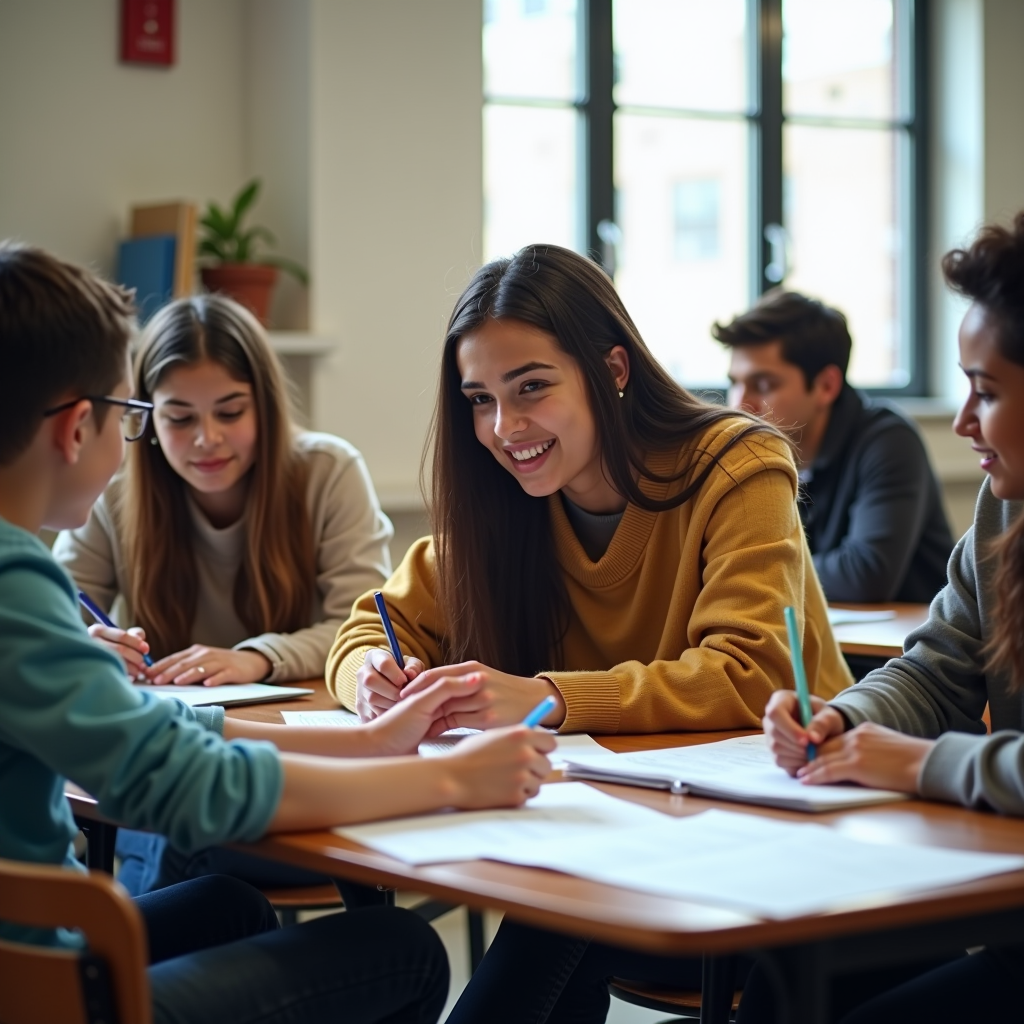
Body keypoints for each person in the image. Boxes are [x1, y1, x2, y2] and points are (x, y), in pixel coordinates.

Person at [0, 241, 554, 1024]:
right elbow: (187, 786)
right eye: (142, 417)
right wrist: (452, 782)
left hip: (38, 949)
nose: (185, 440)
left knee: (228, 905)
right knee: (403, 948)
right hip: (39, 990)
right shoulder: (17, 584)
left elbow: (165, 732)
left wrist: (369, 744)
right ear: (77, 426)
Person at [330, 244, 853, 1023]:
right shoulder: (505, 500)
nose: (505, 427)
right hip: (609, 844)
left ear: (612, 368)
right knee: (552, 897)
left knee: (552, 909)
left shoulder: (737, 463)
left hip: (772, 851)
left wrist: (544, 697)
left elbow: (749, 674)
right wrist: (373, 673)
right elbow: (371, 628)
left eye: (531, 387)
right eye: (479, 399)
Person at [737, 217, 1024, 1024]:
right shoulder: (1002, 522)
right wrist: (843, 715)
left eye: (989, 391)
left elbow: (865, 571)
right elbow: (935, 670)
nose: (964, 422)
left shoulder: (886, 442)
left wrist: (918, 766)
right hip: (1007, 923)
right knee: (783, 978)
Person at [52, 293, 394, 895]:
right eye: (179, 418)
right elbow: (57, 616)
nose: (206, 439)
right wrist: (89, 645)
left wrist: (258, 656)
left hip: (299, 758)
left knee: (190, 851)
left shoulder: (328, 470)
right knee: (191, 851)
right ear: (147, 417)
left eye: (230, 412)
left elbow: (360, 622)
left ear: (263, 404)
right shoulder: (113, 492)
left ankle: (141, 967)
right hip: (179, 757)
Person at [714, 290, 954, 604]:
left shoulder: (888, 440)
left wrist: (752, 570)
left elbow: (866, 575)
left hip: (904, 649)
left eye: (763, 385)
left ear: (827, 385)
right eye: (735, 383)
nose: (740, 405)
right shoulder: (753, 456)